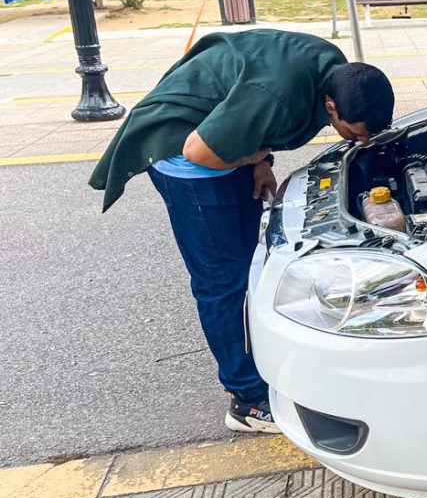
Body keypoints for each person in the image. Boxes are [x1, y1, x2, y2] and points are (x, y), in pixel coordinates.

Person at [90, 30, 395, 434]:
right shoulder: (279, 95)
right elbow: (200, 150)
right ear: (330, 106)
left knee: (252, 268)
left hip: (224, 145)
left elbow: (249, 115)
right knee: (222, 281)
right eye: (356, 133)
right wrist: (252, 156)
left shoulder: (335, 71)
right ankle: (246, 400)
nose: (364, 141)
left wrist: (259, 161)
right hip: (185, 155)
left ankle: (260, 365)